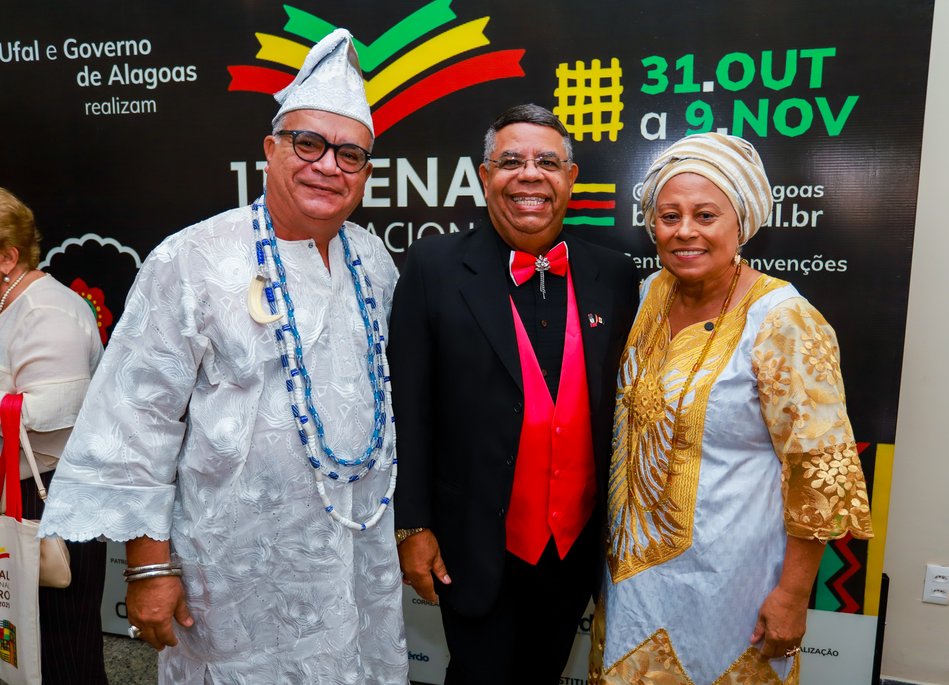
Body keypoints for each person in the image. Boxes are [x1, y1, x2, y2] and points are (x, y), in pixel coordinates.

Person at [38, 29, 409, 684]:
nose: (328, 165)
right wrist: (150, 568)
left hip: (354, 562)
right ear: (270, 149)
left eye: (350, 153)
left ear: (366, 173)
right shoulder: (192, 260)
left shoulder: (373, 261)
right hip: (231, 579)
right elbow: (137, 423)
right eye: (309, 143)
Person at [589, 132, 874, 684]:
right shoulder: (647, 295)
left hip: (733, 585)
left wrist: (792, 595)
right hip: (632, 580)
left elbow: (819, 474)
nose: (685, 231)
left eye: (705, 214)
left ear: (741, 222)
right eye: (669, 215)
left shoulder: (783, 319)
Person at [388, 103, 639, 684]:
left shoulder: (615, 274)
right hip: (473, 543)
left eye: (547, 162)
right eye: (511, 161)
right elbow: (410, 409)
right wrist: (413, 527)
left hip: (574, 547)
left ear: (570, 179)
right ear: (484, 176)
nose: (530, 175)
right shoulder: (434, 266)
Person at [0, 187, 107, 683]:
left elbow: (48, 416)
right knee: (19, 653)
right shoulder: (12, 304)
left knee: (61, 657)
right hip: (18, 497)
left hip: (48, 500)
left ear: (6, 256)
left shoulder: (49, 314)